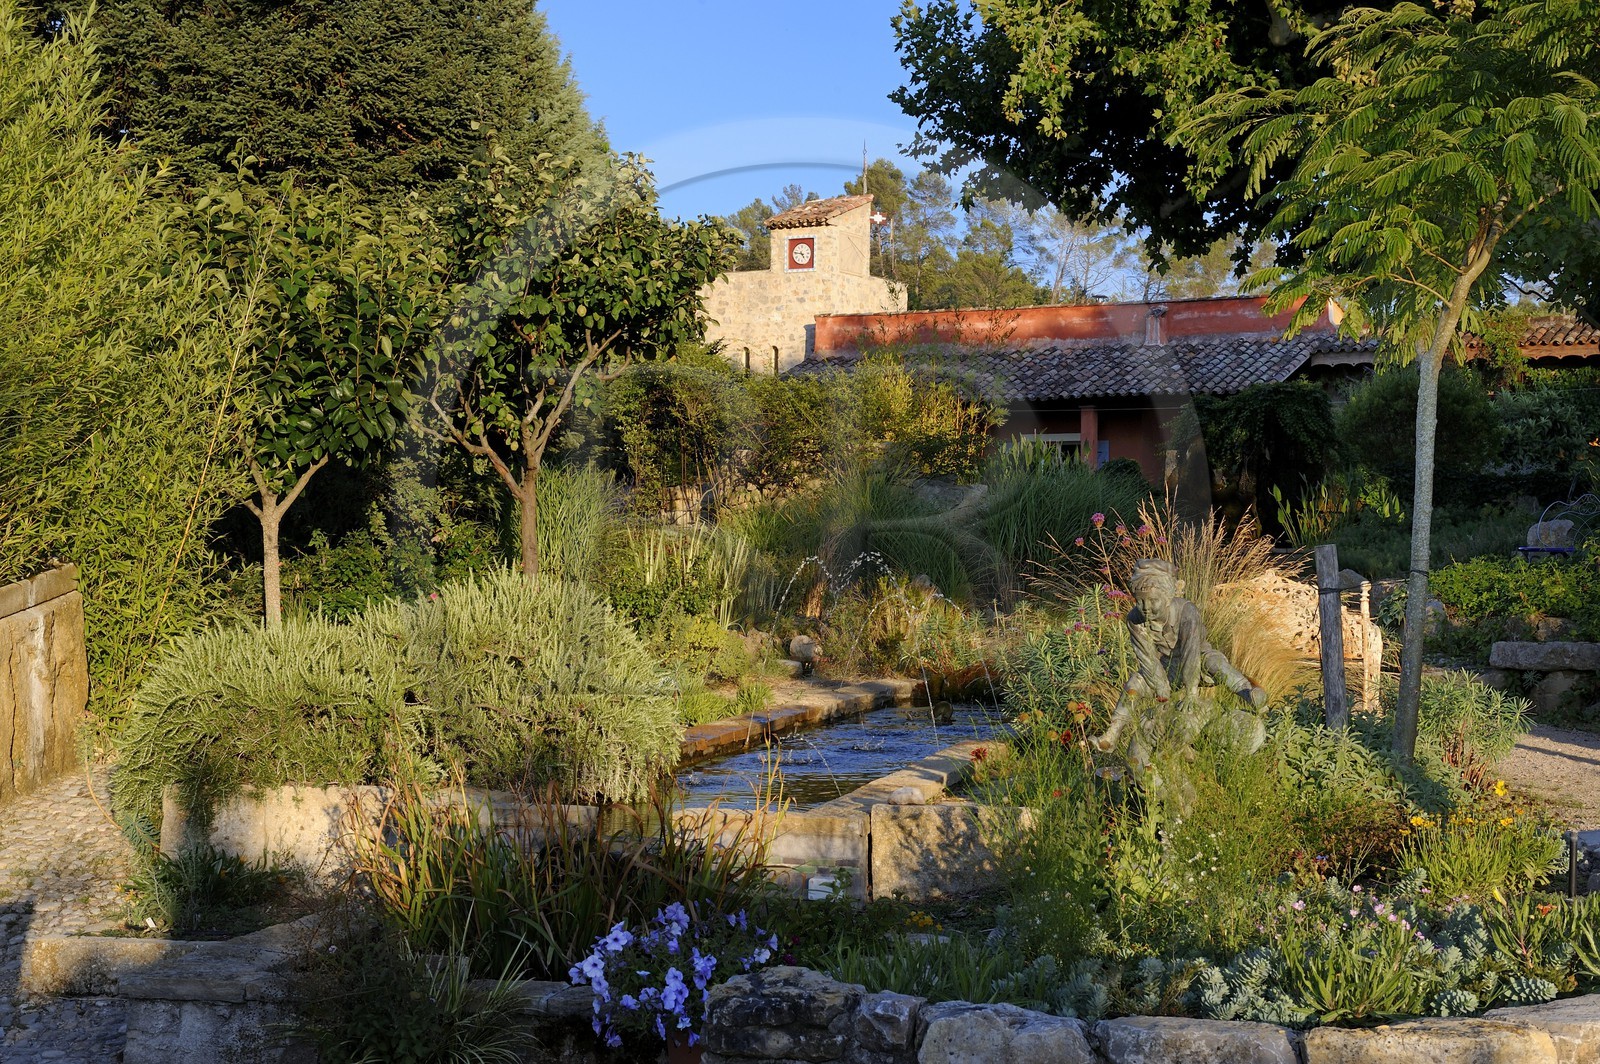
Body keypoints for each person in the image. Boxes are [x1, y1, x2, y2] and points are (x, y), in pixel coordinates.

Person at [1091, 558, 1268, 756]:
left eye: (1152, 601)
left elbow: (1192, 651)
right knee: (1136, 680)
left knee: (1216, 662)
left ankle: (1248, 693)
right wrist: (1162, 691)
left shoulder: (1187, 611)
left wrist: (1191, 692)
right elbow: (1147, 659)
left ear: (1167, 597)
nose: (1146, 607)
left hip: (1199, 662)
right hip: (1168, 667)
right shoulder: (1135, 619)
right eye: (1140, 601)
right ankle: (1112, 735)